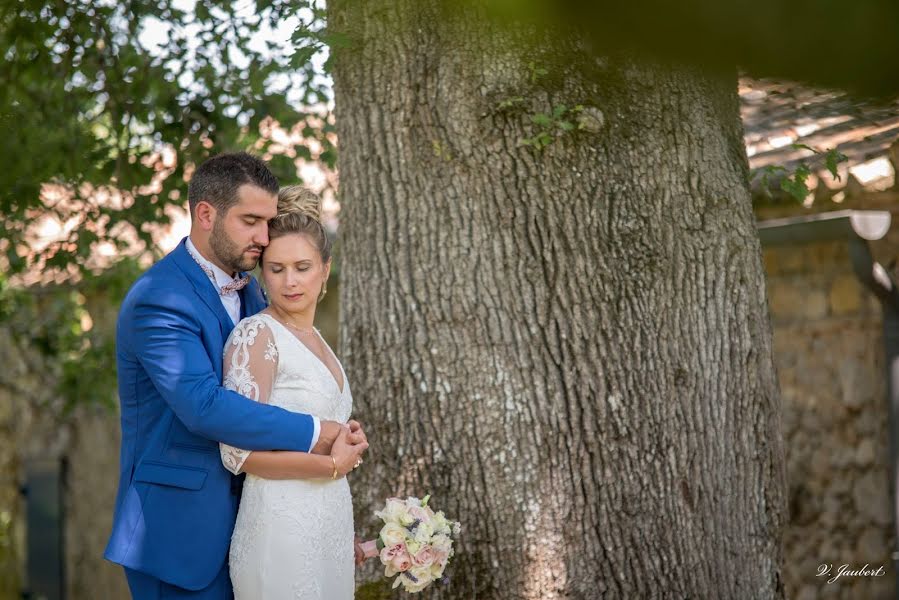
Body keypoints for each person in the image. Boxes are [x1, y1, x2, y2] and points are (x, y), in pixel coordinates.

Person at [104, 153, 367, 599]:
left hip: (255, 525)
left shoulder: (251, 292)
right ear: (206, 214)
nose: (264, 238)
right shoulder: (160, 299)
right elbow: (203, 406)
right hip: (179, 532)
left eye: (268, 222)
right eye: (250, 221)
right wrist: (318, 432)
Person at [222, 185, 365, 599]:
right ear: (261, 272)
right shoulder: (257, 335)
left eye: (302, 267)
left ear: (325, 267)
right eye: (276, 268)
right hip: (279, 534)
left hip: (327, 528)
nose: (289, 282)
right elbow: (237, 453)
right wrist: (332, 466)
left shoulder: (317, 339)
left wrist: (347, 437)